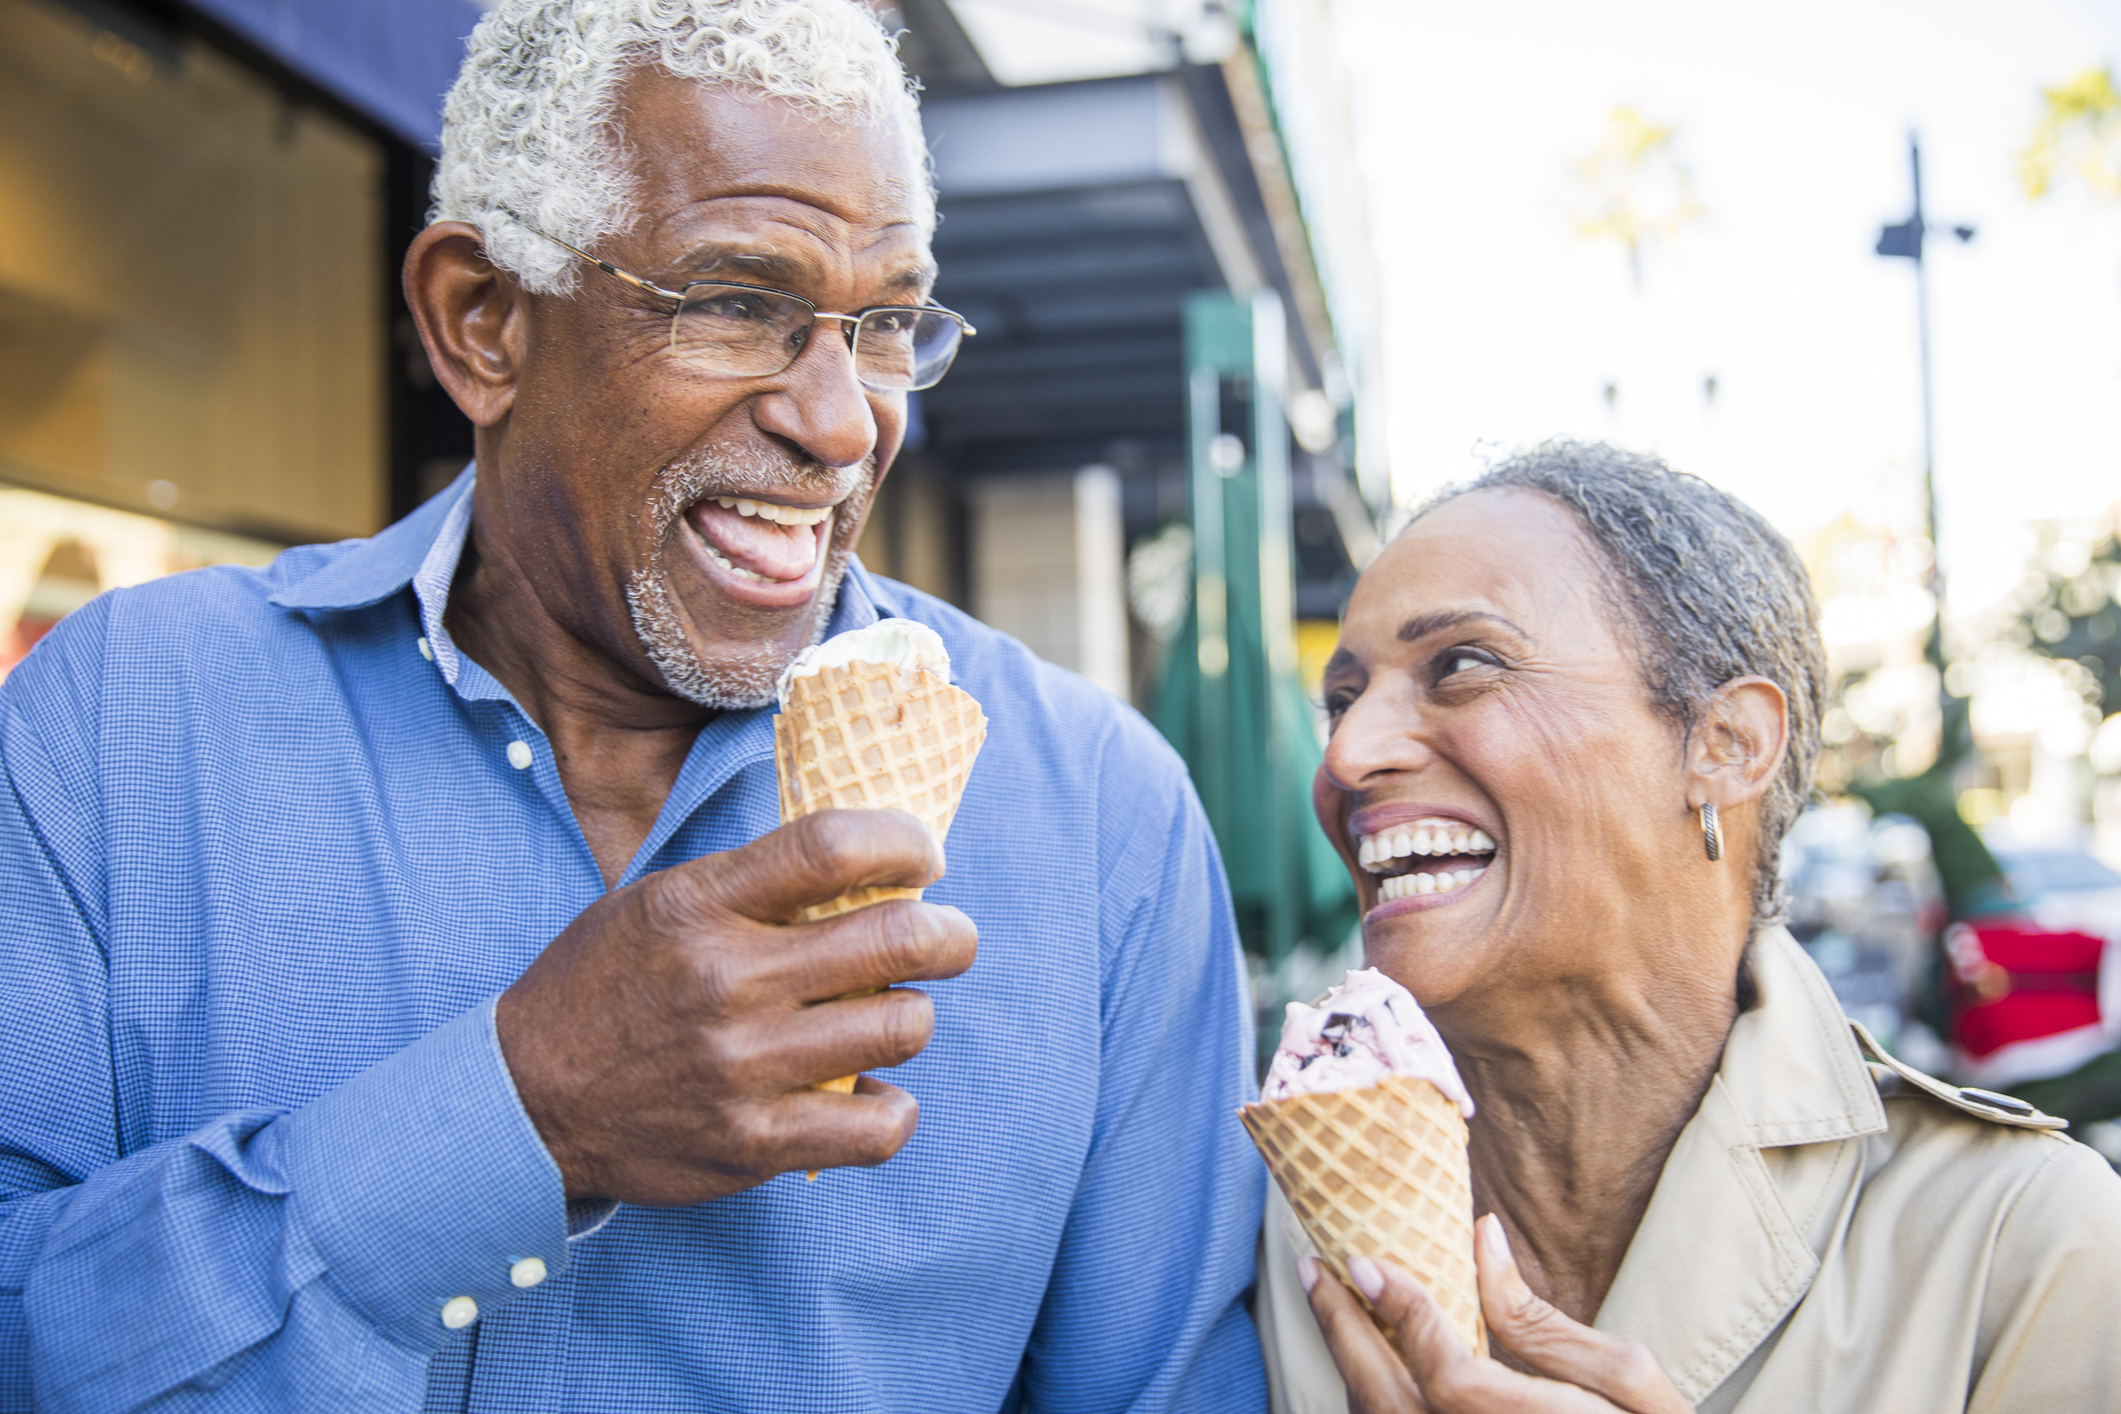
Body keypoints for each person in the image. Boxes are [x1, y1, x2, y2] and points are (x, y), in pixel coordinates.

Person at [0, 3, 1264, 1408]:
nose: (844, 423)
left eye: (889, 321)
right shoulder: (111, 726)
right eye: (737, 302)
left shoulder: (1105, 825)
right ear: (482, 322)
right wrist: (519, 1108)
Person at [1256, 442, 2121, 1413]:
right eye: (1341, 701)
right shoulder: (1259, 1216)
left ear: (1727, 744)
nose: (1351, 754)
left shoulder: (2022, 1242)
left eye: (1461, 663)